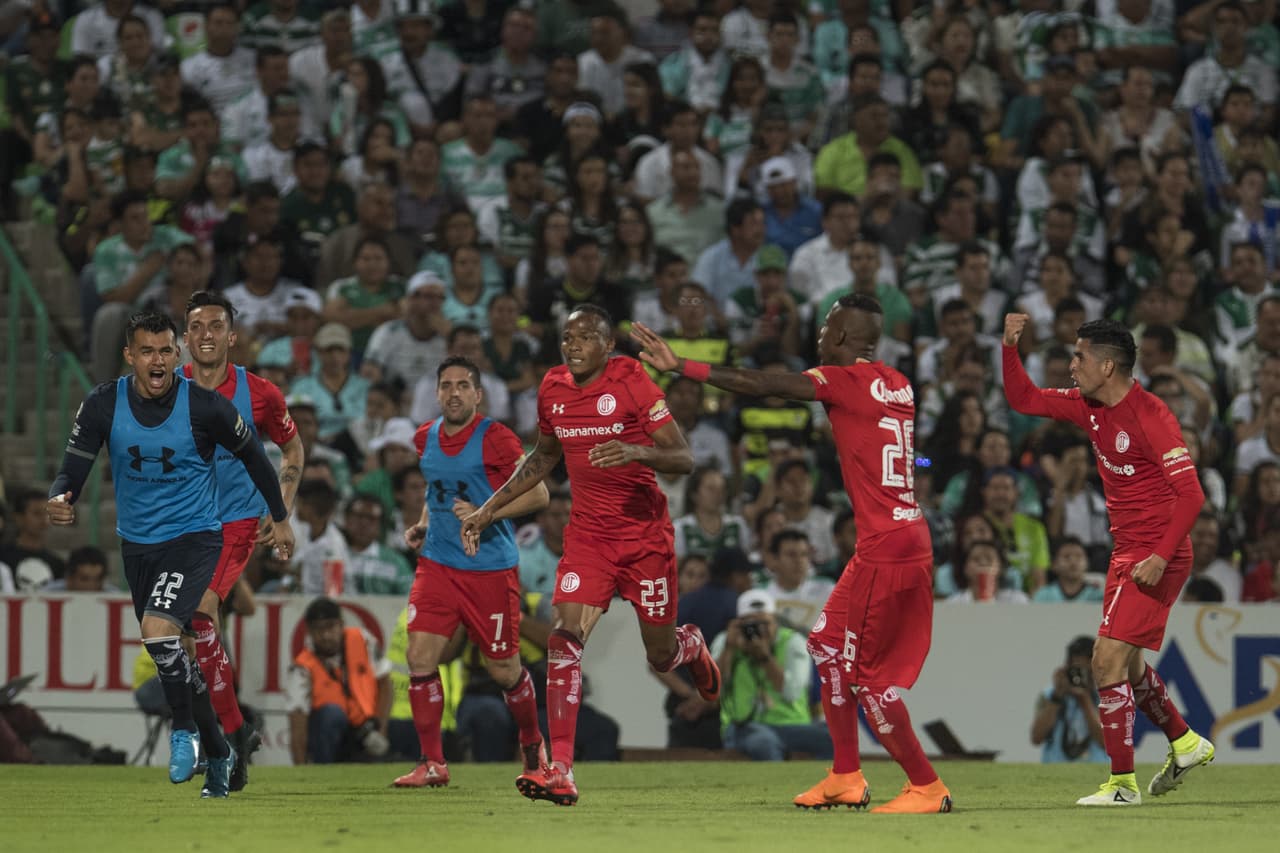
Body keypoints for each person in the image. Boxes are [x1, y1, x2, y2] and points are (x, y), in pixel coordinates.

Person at [632, 293, 953, 814]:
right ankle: (845, 775)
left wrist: (683, 366)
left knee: (867, 677)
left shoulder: (841, 378)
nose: (820, 333)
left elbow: (767, 384)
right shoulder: (899, 382)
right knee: (826, 645)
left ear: (845, 337)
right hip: (896, 538)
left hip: (886, 549)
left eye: (828, 325)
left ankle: (927, 786)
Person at [461, 305, 720, 806]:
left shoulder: (632, 380)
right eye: (566, 336)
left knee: (660, 654)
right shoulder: (553, 388)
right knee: (564, 639)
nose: (572, 344)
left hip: (645, 539)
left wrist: (636, 451)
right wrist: (488, 511)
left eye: (584, 337)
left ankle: (691, 645)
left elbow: (683, 457)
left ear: (607, 345)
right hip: (590, 539)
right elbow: (542, 457)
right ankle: (559, 768)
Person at [46, 311, 295, 798]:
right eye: (147, 352)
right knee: (170, 649)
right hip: (138, 545)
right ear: (130, 356)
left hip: (196, 538)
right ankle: (221, 750)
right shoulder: (102, 404)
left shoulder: (204, 407)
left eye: (165, 351)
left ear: (175, 355)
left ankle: (185, 731)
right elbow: (73, 466)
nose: (157, 361)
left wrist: (280, 515)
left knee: (159, 631)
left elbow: (256, 459)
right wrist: (61, 497)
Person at [1001, 314, 1214, 805]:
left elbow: (1192, 496)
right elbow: (1024, 399)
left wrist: (1160, 557)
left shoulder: (1152, 417)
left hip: (1158, 552)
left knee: (1105, 660)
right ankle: (1185, 742)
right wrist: (1010, 347)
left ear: (1109, 365)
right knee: (1131, 666)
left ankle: (1122, 786)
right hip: (1128, 551)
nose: (1071, 366)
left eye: (1079, 357)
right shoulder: (1088, 406)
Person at [391, 355, 551, 788]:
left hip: (490, 570)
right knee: (419, 657)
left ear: (478, 395)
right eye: (447, 385)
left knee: (505, 671)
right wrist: (426, 522)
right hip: (438, 564)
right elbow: (436, 487)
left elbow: (539, 495)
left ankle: (534, 744)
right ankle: (432, 763)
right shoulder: (425, 438)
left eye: (463, 385)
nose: (454, 392)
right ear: (437, 393)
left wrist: (485, 515)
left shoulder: (496, 439)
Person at [182, 290, 305, 791]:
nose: (207, 334)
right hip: (179, 525)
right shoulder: (167, 387)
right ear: (185, 337)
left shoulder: (261, 394)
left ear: (232, 336)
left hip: (235, 523)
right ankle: (233, 733)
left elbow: (292, 446)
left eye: (216, 325)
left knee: (199, 613)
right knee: (183, 640)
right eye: (197, 326)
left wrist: (283, 511)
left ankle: (223, 740)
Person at [712, 589, 832, 762]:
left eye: (764, 623)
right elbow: (713, 689)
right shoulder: (726, 642)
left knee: (832, 737)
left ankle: (831, 786)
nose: (758, 631)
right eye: (750, 625)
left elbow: (791, 693)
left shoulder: (793, 642)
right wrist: (729, 650)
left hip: (791, 726)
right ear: (738, 624)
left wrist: (764, 658)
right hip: (743, 726)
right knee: (764, 742)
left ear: (775, 622)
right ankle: (771, 788)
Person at [287, 596, 393, 764]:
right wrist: (301, 772)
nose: (326, 635)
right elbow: (297, 723)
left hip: (367, 728)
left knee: (408, 730)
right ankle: (323, 771)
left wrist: (381, 729)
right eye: (318, 629)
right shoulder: (302, 667)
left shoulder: (363, 640)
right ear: (309, 631)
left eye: (331, 626)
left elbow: (385, 683)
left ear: (341, 624)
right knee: (332, 714)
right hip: (329, 734)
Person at [1031, 636, 1107, 763]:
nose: (1081, 677)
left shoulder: (1109, 696)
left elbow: (1106, 743)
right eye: (1076, 671)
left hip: (1097, 774)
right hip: (1055, 773)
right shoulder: (1049, 694)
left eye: (1086, 671)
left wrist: (1085, 700)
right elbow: (1036, 737)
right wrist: (1057, 696)